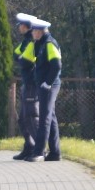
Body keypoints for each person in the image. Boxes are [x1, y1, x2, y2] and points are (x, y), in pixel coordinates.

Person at [25, 17, 62, 162]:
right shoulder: (40, 44)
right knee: (50, 117)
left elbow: (56, 65)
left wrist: (47, 83)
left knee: (44, 118)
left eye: (34, 30)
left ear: (40, 31)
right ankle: (55, 153)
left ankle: (39, 152)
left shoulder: (49, 43)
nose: (32, 33)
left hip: (49, 86)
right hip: (45, 85)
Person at [12, 12, 39, 160]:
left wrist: (22, 58)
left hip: (32, 83)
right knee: (22, 118)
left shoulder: (32, 41)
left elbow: (25, 61)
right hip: (26, 82)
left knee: (31, 116)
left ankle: (39, 148)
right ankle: (29, 146)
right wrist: (21, 57)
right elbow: (16, 55)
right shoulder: (25, 41)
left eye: (20, 25)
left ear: (27, 26)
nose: (18, 28)